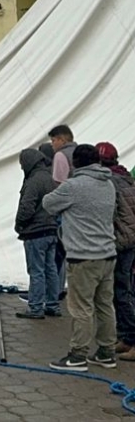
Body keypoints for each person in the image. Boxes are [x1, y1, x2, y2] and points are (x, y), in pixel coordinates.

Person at [43, 144, 119, 370]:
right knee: (105, 304)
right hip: (108, 254)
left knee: (81, 308)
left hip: (83, 257)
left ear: (75, 163)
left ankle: (78, 355)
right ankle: (106, 351)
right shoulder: (109, 183)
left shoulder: (73, 186)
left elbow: (48, 203)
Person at [14, 148, 62, 320]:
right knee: (51, 269)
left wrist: (19, 224)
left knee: (36, 271)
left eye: (21, 164)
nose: (21, 168)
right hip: (51, 230)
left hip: (35, 232)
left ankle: (35, 307)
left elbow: (26, 207)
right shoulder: (50, 178)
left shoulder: (34, 181)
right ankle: (52, 305)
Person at [96, 143, 135, 358]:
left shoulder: (109, 182)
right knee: (121, 291)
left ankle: (132, 339)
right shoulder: (126, 177)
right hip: (130, 240)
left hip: (121, 241)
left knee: (122, 293)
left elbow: (110, 214)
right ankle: (126, 337)